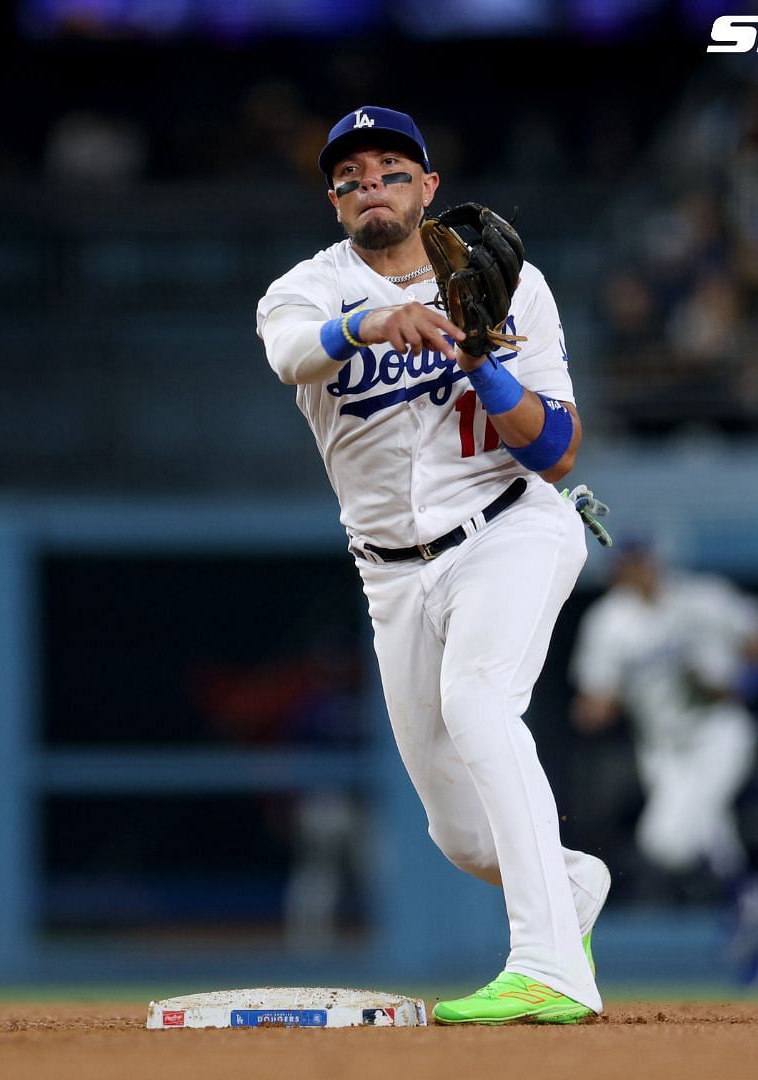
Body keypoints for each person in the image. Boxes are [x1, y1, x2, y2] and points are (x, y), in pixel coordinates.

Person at [254, 106, 610, 1025]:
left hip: (509, 528)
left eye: (391, 168)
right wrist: (375, 320)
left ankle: (551, 967)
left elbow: (559, 450)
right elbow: (294, 356)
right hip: (391, 573)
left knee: (479, 704)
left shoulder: (508, 281)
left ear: (428, 187)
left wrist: (485, 358)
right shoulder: (303, 289)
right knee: (458, 836)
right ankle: (566, 886)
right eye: (353, 175)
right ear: (335, 200)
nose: (372, 184)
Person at [569, 544, 758, 985]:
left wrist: (743, 683)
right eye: (627, 561)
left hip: (717, 732)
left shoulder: (700, 598)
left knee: (670, 839)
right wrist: (593, 708)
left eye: (642, 558)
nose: (635, 569)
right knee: (695, 839)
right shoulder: (609, 621)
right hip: (662, 748)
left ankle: (746, 896)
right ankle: (755, 935)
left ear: (657, 561)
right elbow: (598, 695)